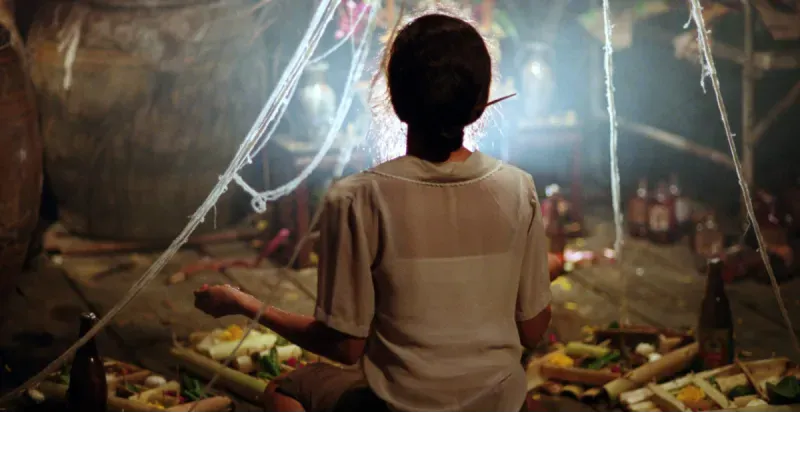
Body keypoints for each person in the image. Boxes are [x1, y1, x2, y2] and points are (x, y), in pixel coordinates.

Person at [194, 13, 554, 414]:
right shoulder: (518, 188)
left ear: (394, 100)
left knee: (287, 387)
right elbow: (533, 330)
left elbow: (345, 345)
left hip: (399, 409)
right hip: (498, 404)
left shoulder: (357, 199)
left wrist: (245, 305)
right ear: (482, 100)